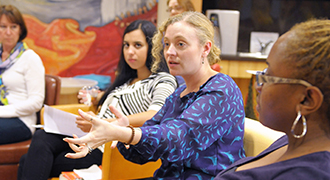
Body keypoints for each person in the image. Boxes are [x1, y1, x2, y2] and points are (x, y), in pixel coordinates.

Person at [64, 11, 246, 179]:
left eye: (180, 44)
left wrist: (123, 133)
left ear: (205, 48)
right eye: (167, 44)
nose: (170, 52)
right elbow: (143, 152)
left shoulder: (221, 89)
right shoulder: (178, 95)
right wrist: (120, 133)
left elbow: (178, 138)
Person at [17, 19, 177, 180]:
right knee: (41, 137)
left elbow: (155, 115)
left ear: (153, 47)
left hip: (108, 147)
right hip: (91, 136)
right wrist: (97, 98)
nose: (130, 52)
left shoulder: (163, 80)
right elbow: (108, 99)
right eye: (126, 45)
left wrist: (107, 123)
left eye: (137, 45)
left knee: (28, 160)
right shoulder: (125, 82)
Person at [215, 19, 330, 179]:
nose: (258, 86)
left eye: (268, 76)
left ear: (307, 100)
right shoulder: (291, 140)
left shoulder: (307, 175)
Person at [0, 5, 45, 145]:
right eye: (3, 26)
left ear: (20, 29)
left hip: (21, 121)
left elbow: (37, 102)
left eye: (13, 27)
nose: (8, 32)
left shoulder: (30, 58)